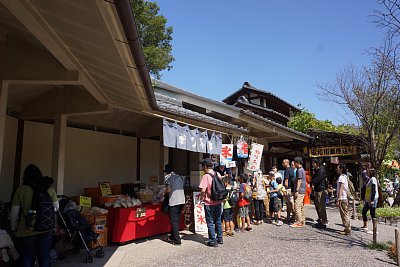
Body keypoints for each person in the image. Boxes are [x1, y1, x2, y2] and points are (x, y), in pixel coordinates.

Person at [11, 164, 58, 267]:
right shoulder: (49, 189)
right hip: (46, 228)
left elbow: (14, 212)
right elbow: (56, 207)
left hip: (27, 230)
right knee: (44, 256)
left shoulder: (21, 190)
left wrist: (13, 227)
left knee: (27, 257)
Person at [199, 158, 224, 247]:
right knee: (218, 220)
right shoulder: (217, 174)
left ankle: (213, 240)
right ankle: (220, 238)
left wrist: (201, 199)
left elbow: (203, 190)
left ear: (205, 166)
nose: (202, 168)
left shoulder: (206, 176)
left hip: (209, 202)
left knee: (210, 221)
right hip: (218, 201)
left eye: (202, 166)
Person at [163, 164, 185, 245]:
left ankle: (177, 240)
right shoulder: (179, 177)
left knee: (174, 221)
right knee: (177, 220)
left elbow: (168, 190)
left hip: (174, 201)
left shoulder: (168, 177)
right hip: (182, 200)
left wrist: (163, 194)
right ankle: (172, 236)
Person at [360, 169, 379, 234]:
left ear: (371, 172)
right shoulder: (370, 179)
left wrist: (372, 200)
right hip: (368, 199)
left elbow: (374, 190)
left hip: (372, 199)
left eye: (368, 172)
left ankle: (375, 230)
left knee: (372, 213)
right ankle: (365, 226)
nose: (366, 173)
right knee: (364, 212)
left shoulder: (373, 179)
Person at [311, 159, 328, 228]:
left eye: (313, 163)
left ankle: (324, 222)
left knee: (321, 206)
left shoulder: (321, 171)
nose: (312, 164)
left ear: (317, 164)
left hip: (321, 190)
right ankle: (321, 219)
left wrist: (312, 181)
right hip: (317, 190)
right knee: (318, 205)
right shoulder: (317, 170)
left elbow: (316, 180)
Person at [291, 157, 306, 228]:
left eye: (294, 162)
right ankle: (302, 220)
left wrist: (296, 190)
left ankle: (299, 222)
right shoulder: (302, 169)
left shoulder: (299, 170)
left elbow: (299, 181)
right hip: (302, 190)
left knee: (297, 206)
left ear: (297, 163)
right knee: (300, 206)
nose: (294, 164)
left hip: (299, 190)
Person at [336, 163, 351, 235]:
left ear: (341, 169)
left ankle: (347, 229)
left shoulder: (341, 177)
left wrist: (338, 199)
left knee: (344, 214)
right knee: (345, 213)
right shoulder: (345, 176)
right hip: (344, 198)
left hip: (342, 198)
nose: (336, 169)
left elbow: (341, 188)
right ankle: (347, 228)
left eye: (338, 168)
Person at [282, 159, 295, 223]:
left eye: (283, 163)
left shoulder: (287, 170)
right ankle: (291, 216)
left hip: (288, 188)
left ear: (286, 163)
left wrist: (285, 188)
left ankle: (291, 216)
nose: (282, 164)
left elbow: (286, 181)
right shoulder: (292, 169)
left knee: (289, 203)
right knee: (291, 202)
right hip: (292, 188)